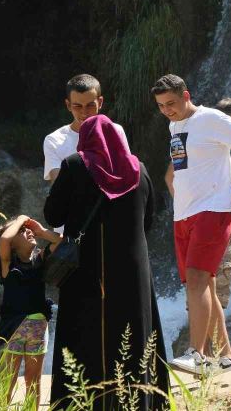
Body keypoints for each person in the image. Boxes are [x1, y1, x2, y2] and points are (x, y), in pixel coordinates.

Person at [44, 114, 168, 410]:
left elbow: (53, 215)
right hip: (133, 271)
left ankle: (85, 403)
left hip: (88, 271)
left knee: (85, 335)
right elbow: (148, 219)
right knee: (133, 337)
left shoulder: (75, 165)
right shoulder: (140, 169)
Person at [152, 75, 231, 373]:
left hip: (213, 211)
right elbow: (179, 170)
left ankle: (196, 354)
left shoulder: (211, 118)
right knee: (204, 286)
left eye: (171, 103)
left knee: (198, 280)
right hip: (184, 215)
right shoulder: (175, 125)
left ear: (186, 95)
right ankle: (227, 358)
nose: (167, 110)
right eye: (161, 106)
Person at [0, 216, 62, 410]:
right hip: (13, 329)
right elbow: (4, 239)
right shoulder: (8, 265)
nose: (29, 231)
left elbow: (60, 241)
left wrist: (41, 231)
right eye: (23, 231)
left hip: (39, 331)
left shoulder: (40, 260)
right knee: (8, 378)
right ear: (13, 244)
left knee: (33, 380)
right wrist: (21, 218)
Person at [43, 74, 127, 183]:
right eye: (77, 106)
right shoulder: (53, 141)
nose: (84, 112)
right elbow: (59, 187)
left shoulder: (116, 131)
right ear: (68, 105)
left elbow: (126, 173)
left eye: (90, 105)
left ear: (100, 102)